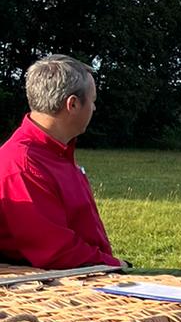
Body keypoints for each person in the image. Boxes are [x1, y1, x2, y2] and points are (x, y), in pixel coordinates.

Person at [0, 55, 121, 270]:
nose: (94, 108)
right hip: (61, 291)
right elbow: (57, 251)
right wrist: (117, 265)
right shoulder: (24, 165)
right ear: (72, 104)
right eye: (92, 101)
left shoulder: (54, 152)